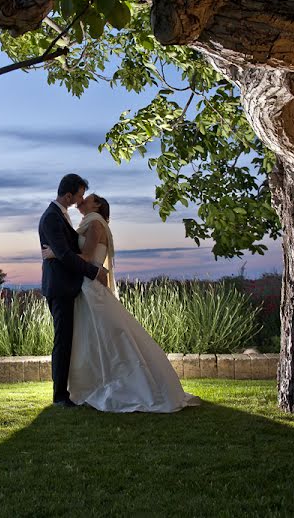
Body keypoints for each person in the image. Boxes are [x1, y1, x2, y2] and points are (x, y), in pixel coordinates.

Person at [42, 193, 201, 413]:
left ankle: (122, 384)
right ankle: (92, 382)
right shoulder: (89, 223)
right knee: (94, 339)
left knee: (108, 337)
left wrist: (55, 253)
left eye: (87, 198)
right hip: (85, 286)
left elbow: (87, 257)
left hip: (91, 287)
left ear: (97, 205)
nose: (82, 200)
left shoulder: (96, 223)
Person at [38, 174, 109, 408]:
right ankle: (59, 396)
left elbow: (64, 252)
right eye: (79, 195)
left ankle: (73, 389)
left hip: (70, 286)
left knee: (70, 339)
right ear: (68, 195)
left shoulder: (62, 215)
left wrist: (58, 253)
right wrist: (93, 271)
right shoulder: (51, 217)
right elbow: (67, 255)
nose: (80, 200)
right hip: (60, 287)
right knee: (63, 340)